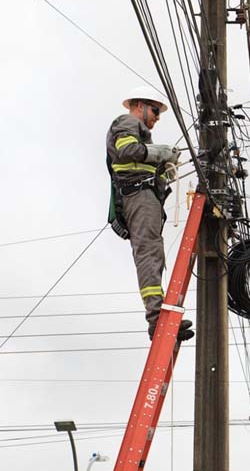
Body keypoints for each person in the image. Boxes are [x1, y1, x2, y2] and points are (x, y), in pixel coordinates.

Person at [106, 86, 194, 341]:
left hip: (145, 197)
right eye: (155, 111)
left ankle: (159, 314)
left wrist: (163, 166)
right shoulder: (126, 121)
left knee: (153, 253)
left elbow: (138, 161)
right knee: (148, 253)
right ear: (139, 106)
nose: (157, 117)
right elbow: (127, 150)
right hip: (139, 197)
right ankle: (156, 318)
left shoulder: (138, 129)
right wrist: (160, 153)